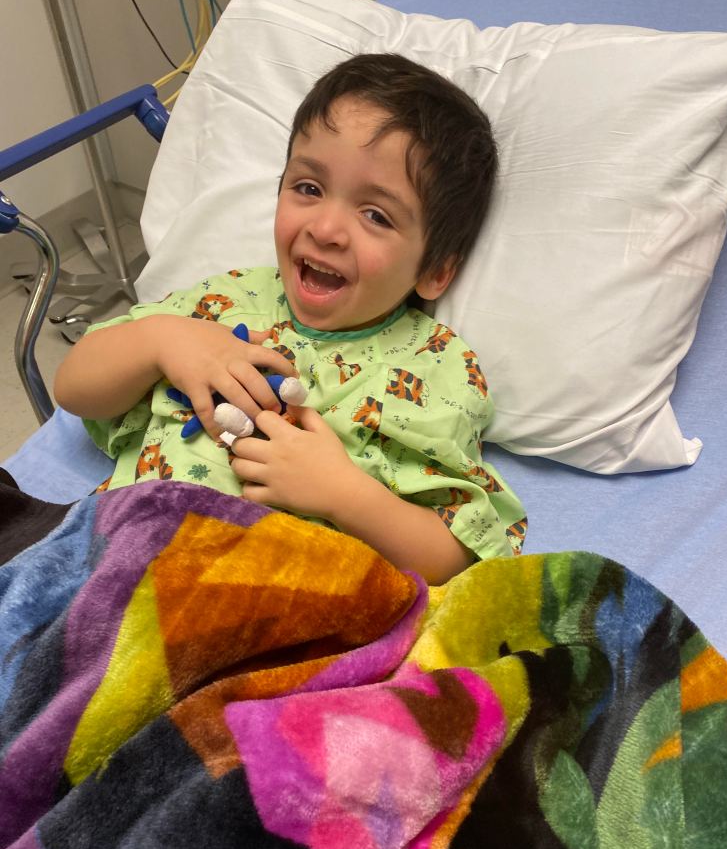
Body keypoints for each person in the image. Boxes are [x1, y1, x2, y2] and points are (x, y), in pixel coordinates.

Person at [54, 53, 526, 585]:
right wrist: (162, 341)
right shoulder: (223, 299)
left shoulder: (433, 364)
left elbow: (461, 557)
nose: (325, 229)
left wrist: (344, 494)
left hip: (280, 598)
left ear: (436, 271)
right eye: (308, 188)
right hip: (120, 566)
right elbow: (74, 388)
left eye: (376, 215)